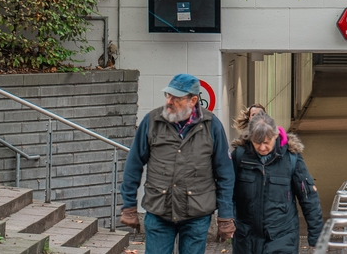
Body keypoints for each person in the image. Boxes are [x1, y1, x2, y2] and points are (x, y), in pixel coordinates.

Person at [120, 74, 236, 254]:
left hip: (196, 214)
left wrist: (226, 216)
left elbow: (225, 174)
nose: (169, 101)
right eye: (168, 95)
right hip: (159, 212)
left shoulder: (211, 125)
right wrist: (129, 205)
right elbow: (133, 164)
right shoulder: (152, 121)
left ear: (193, 100)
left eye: (176, 98)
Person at [231, 112, 323, 253]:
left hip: (282, 236)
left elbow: (308, 197)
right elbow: (227, 191)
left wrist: (316, 237)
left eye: (266, 143)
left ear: (275, 136)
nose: (262, 148)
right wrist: (228, 220)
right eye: (257, 143)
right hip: (247, 238)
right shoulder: (239, 156)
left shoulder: (291, 157)